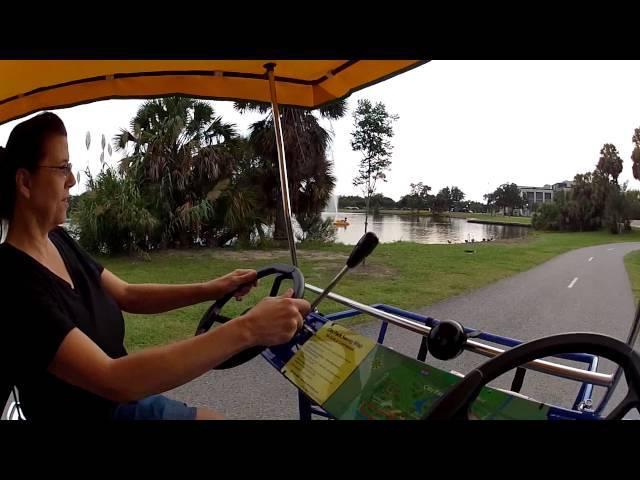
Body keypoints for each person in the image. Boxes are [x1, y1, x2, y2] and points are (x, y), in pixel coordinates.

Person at [0, 112, 311, 420]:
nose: (72, 179)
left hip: (125, 404)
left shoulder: (58, 240)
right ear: (25, 182)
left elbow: (128, 294)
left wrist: (213, 288)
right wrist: (249, 328)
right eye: (62, 168)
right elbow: (113, 379)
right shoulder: (12, 280)